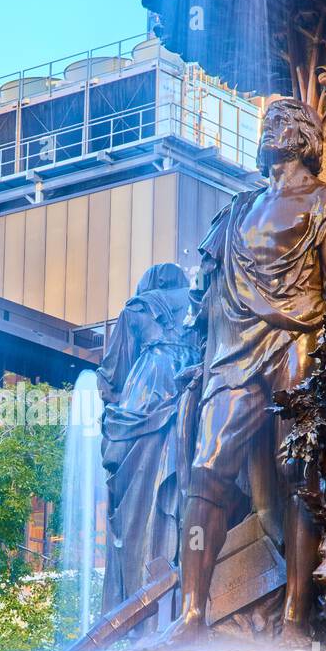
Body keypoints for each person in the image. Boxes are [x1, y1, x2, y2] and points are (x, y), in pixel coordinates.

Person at [163, 97, 326, 646]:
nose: (272, 126)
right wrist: (190, 349)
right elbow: (202, 289)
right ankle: (191, 614)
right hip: (232, 350)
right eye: (269, 120)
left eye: (286, 119)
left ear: (306, 137)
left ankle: (296, 620)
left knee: (299, 474)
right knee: (205, 470)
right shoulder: (237, 208)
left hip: (296, 344)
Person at [97, 262, 201, 617]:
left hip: (145, 395)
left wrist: (107, 409)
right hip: (192, 392)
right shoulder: (199, 304)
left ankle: (139, 601)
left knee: (133, 502)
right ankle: (177, 599)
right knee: (185, 490)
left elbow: (114, 374)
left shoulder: (136, 310)